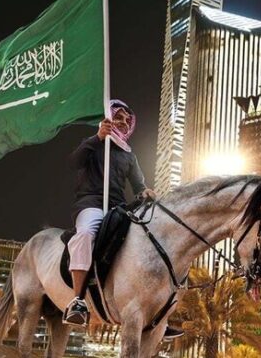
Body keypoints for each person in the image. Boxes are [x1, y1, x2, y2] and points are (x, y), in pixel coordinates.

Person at [63, 100, 182, 340]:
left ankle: (158, 313)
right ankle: (77, 301)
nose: (124, 122)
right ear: (108, 118)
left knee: (147, 240)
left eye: (128, 120)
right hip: (91, 204)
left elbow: (138, 185)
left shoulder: (129, 155)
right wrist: (98, 137)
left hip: (117, 208)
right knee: (85, 234)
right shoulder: (94, 143)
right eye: (118, 117)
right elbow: (73, 162)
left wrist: (145, 191)